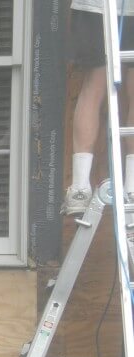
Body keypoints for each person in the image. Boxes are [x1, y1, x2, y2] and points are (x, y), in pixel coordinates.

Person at [63, 0, 134, 215]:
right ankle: (130, 187)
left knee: (93, 87)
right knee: (96, 86)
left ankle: (80, 189)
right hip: (98, 7)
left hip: (96, 8)